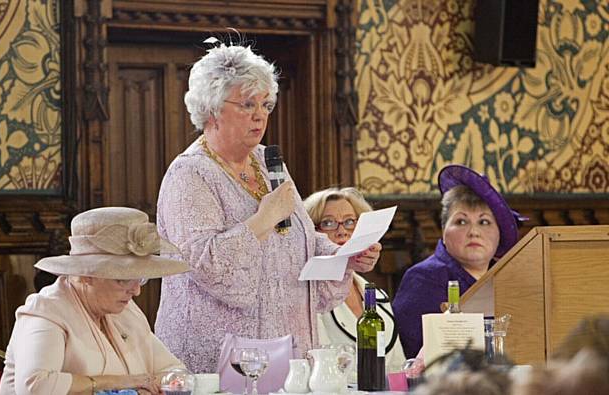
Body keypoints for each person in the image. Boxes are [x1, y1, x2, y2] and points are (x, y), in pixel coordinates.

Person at [155, 42, 381, 373]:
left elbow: (301, 239)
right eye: (247, 104)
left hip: (287, 351)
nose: (260, 115)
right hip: (218, 360)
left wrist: (343, 256)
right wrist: (263, 219)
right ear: (212, 109)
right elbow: (205, 264)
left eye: (266, 104)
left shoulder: (267, 162)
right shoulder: (190, 173)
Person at [0, 207, 191, 395]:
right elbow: (35, 387)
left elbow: (177, 372)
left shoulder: (125, 312)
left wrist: (148, 387)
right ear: (85, 275)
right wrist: (123, 383)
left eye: (140, 279)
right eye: (123, 279)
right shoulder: (46, 312)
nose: (137, 291)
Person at [392, 164, 520, 359]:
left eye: (484, 222)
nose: (474, 232)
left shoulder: (509, 279)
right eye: (461, 221)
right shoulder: (423, 278)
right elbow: (409, 356)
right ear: (444, 230)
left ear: (499, 234)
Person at [303, 187, 406, 373]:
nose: (342, 231)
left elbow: (397, 366)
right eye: (328, 223)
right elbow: (320, 369)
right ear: (312, 232)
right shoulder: (311, 296)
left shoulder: (377, 295)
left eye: (350, 222)